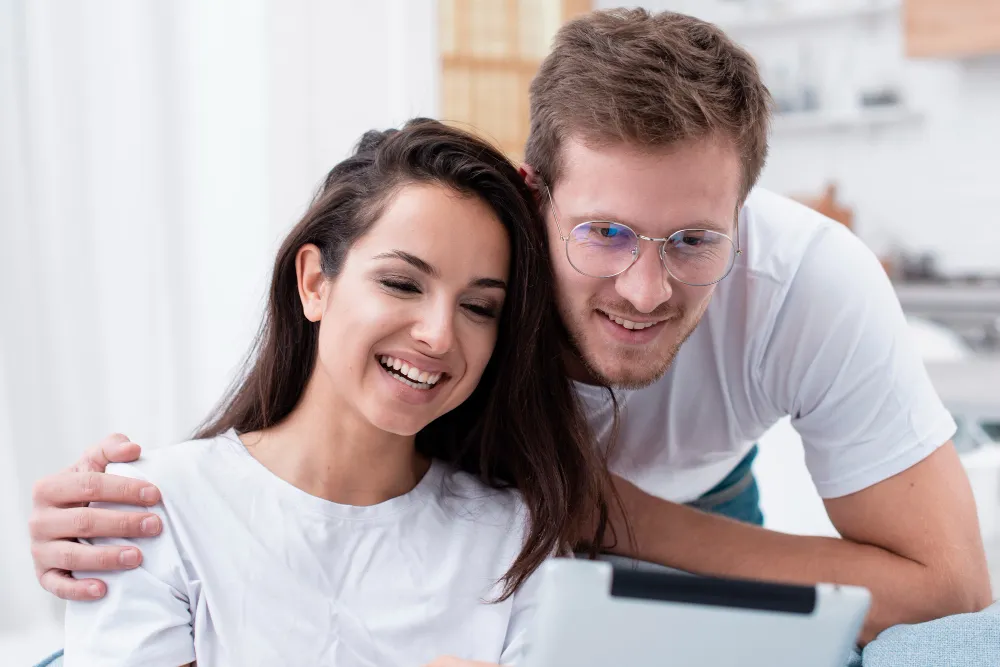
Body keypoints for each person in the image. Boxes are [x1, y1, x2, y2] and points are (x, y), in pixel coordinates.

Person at [29, 6, 992, 652]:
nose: (647, 288)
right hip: (487, 496)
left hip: (686, 508)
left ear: (746, 211)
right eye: (604, 232)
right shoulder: (468, 255)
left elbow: (949, 584)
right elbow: (316, 436)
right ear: (537, 202)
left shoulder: (808, 286)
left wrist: (609, 518)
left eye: (696, 239)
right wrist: (138, 518)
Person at [52, 119, 617, 666]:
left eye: (478, 307)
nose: (439, 334)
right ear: (315, 283)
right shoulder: (154, 510)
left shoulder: (513, 537)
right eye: (401, 283)